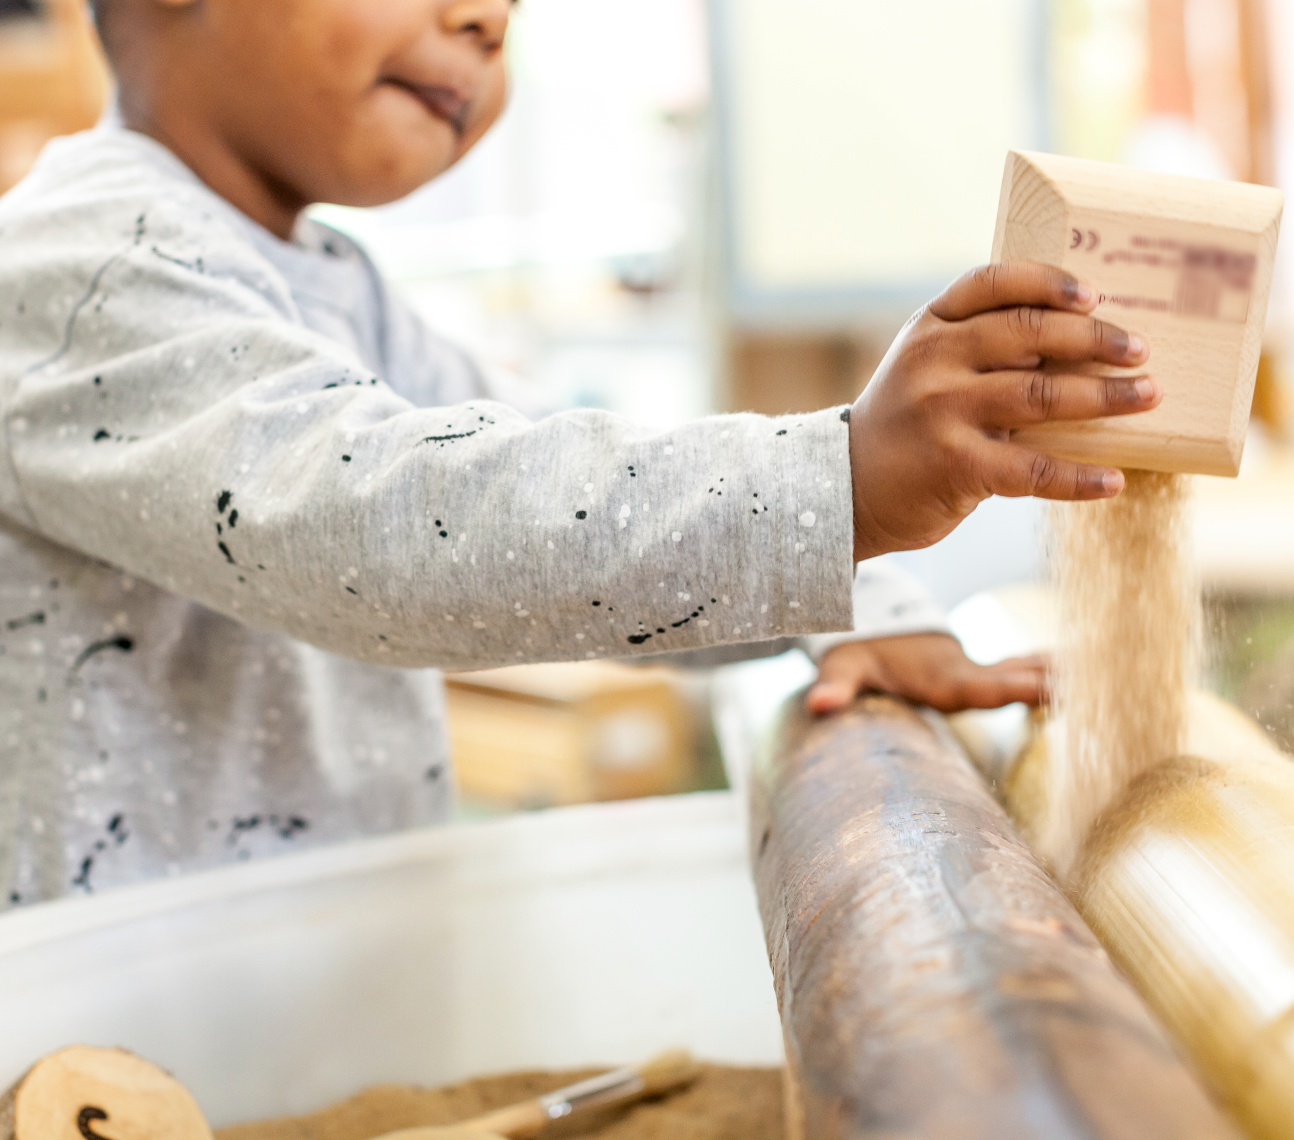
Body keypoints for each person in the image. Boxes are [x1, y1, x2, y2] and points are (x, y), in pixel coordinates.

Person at [0, 0, 1158, 906]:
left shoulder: (331, 281)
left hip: (287, 1002)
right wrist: (837, 485)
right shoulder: (83, 268)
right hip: (103, 1054)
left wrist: (857, 602)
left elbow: (538, 463)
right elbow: (389, 528)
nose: (487, 20)